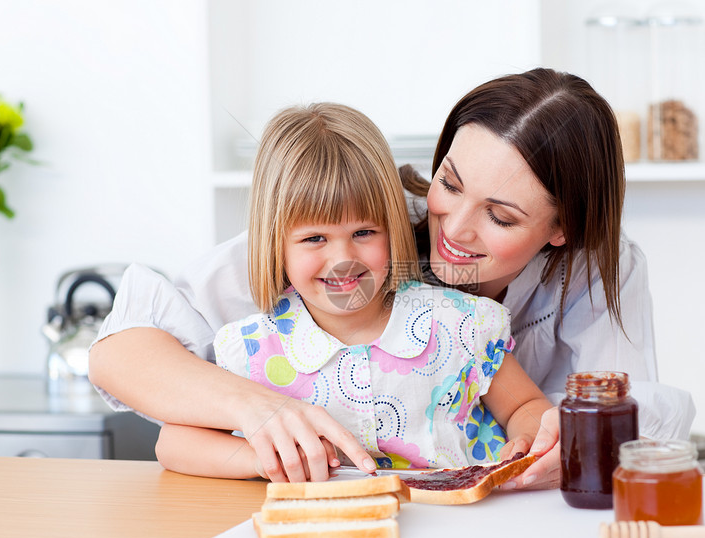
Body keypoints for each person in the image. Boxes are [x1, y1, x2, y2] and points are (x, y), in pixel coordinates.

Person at [89, 68, 693, 488]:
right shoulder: (353, 224)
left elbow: (629, 408)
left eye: (501, 216)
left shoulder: (587, 271)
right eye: (449, 183)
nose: (453, 226)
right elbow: (123, 355)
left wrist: (564, 437)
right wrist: (259, 414)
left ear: (564, 229)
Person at [152, 102, 556, 481]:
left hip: (453, 528)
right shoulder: (256, 348)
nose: (343, 258)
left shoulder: (460, 323)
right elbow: (173, 444)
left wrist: (527, 441)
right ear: (275, 244)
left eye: (363, 233)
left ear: (391, 227)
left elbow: (524, 406)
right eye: (314, 238)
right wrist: (262, 459)